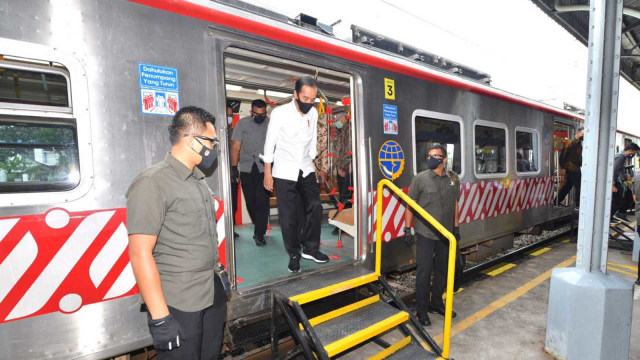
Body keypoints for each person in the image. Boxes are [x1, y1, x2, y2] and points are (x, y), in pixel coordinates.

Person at [126, 106, 228, 359]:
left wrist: (219, 274)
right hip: (180, 301)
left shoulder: (198, 180)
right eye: (211, 141)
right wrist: (160, 317)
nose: (214, 148)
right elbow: (140, 254)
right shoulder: (152, 182)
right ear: (192, 141)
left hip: (211, 292)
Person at [262, 76, 330, 273]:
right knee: (289, 215)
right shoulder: (279, 113)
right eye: (305, 98)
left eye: (312, 99)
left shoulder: (313, 113)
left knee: (315, 206)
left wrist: (314, 162)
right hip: (284, 169)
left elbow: (313, 141)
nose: (309, 102)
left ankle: (310, 248)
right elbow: (270, 142)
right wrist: (268, 172)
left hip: (305, 166)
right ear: (295, 95)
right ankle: (293, 253)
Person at [403, 144, 460, 326]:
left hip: (445, 233)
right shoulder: (420, 179)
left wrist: (456, 228)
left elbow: (455, 204)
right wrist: (407, 229)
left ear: (443, 159)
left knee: (442, 271)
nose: (430, 159)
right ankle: (422, 309)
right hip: (425, 233)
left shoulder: (453, 178)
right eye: (428, 156)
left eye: (434, 156)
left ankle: (436, 303)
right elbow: (410, 205)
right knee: (424, 272)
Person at [231, 99, 270, 246]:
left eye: (263, 113)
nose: (260, 116)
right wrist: (234, 168)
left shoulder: (270, 123)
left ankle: (259, 233)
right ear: (251, 112)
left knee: (262, 201)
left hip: (264, 168)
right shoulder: (242, 124)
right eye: (257, 113)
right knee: (251, 201)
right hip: (247, 167)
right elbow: (235, 146)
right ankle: (259, 225)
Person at [611, 142, 640, 222]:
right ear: (630, 151)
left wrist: (625, 176)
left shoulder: (622, 157)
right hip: (614, 182)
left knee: (628, 196)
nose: (634, 155)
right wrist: (612, 184)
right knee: (619, 199)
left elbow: (619, 171)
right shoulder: (621, 157)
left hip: (617, 181)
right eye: (634, 153)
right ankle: (613, 216)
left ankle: (620, 214)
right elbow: (614, 170)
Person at [555, 127, 584, 208]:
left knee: (567, 186)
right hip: (572, 168)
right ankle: (579, 205)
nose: (583, 136)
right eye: (582, 134)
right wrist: (563, 168)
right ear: (578, 133)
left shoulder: (579, 144)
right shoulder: (570, 143)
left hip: (576, 168)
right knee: (580, 186)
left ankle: (556, 201)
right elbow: (563, 156)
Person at [228, 105, 240, 238]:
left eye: (231, 114)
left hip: (233, 174)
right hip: (219, 176)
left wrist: (235, 168)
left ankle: (232, 228)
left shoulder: (234, 133)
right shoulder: (216, 132)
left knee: (233, 204)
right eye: (227, 114)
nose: (229, 117)